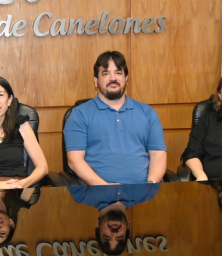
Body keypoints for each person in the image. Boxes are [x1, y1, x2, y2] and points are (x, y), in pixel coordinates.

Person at [63, 51, 167, 184]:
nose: (113, 78)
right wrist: (106, 188)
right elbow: (75, 160)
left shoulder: (147, 112)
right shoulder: (79, 115)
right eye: (106, 73)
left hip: (143, 195)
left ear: (126, 79)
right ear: (96, 81)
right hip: (97, 196)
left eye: (118, 73)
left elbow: (158, 154)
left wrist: (150, 184)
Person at [70, 182, 159, 256]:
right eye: (120, 237)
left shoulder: (81, 195)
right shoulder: (146, 194)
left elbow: (74, 163)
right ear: (127, 227)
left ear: (97, 225)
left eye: (107, 236)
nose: (114, 233)